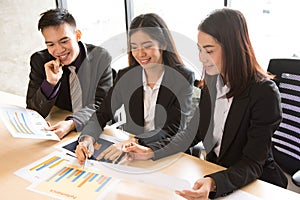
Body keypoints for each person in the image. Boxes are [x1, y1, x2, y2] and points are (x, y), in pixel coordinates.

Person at [123, 8, 288, 199]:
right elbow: (191, 134)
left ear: (232, 48)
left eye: (209, 50)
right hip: (214, 173)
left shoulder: (264, 93)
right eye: (200, 50)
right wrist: (152, 151)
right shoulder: (211, 82)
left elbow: (252, 163)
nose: (201, 58)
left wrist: (214, 182)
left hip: (254, 185)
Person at [75, 13, 195, 165]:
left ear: (163, 44)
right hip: (133, 158)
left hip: (167, 155)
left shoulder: (182, 78)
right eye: (134, 47)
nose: (140, 53)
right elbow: (101, 114)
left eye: (147, 46)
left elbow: (172, 128)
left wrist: (134, 141)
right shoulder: (126, 77)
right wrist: (87, 139)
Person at [26, 8, 113, 139]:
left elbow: (102, 104)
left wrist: (72, 123)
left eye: (64, 41)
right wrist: (50, 83)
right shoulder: (40, 61)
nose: (58, 50)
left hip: (94, 128)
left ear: (77, 35)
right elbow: (33, 110)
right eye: (51, 44)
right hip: (57, 125)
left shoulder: (100, 57)